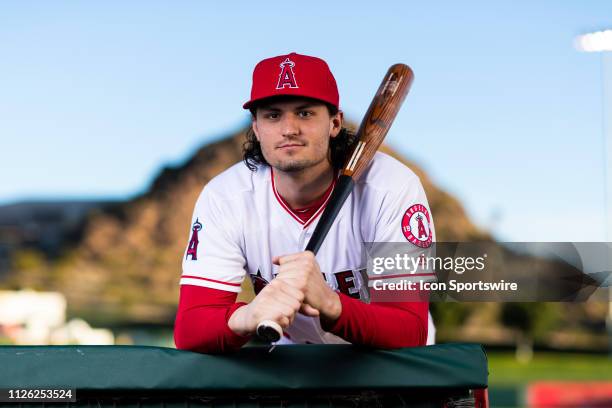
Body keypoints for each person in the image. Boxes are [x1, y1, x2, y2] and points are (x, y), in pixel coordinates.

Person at [174, 52, 436, 353]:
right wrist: (248, 315)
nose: (289, 129)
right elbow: (190, 328)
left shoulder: (389, 187)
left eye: (305, 113)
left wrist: (330, 303)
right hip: (295, 361)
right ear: (256, 128)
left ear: (335, 123)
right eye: (273, 115)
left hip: (389, 361)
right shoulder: (226, 197)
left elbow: (409, 329)